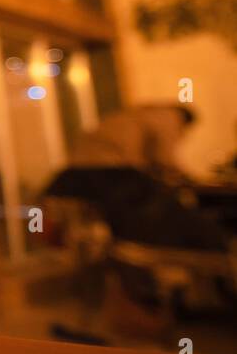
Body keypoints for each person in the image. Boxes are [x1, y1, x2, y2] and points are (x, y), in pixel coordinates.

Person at [44, 104, 228, 252]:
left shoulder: (134, 113)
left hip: (76, 172)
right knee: (159, 219)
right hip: (110, 171)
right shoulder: (170, 117)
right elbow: (164, 159)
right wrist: (190, 179)